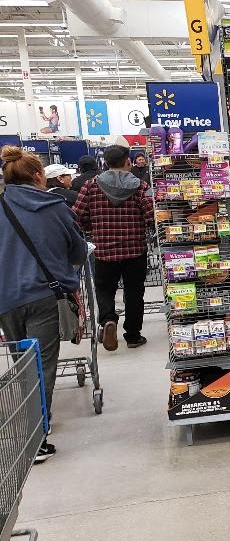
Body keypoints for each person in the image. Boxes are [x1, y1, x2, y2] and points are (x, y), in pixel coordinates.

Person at [0, 146, 87, 463]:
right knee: (41, 367)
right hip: (43, 295)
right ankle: (37, 438)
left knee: (22, 363)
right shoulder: (55, 207)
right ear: (39, 175)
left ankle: (30, 425)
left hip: (5, 299)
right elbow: (77, 251)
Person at [73, 145, 153, 351]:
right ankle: (133, 335)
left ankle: (108, 320)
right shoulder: (140, 187)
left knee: (105, 289)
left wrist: (94, 227)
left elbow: (77, 216)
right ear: (128, 162)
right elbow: (151, 216)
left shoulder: (91, 186)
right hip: (135, 250)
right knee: (134, 292)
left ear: (106, 164)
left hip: (104, 251)